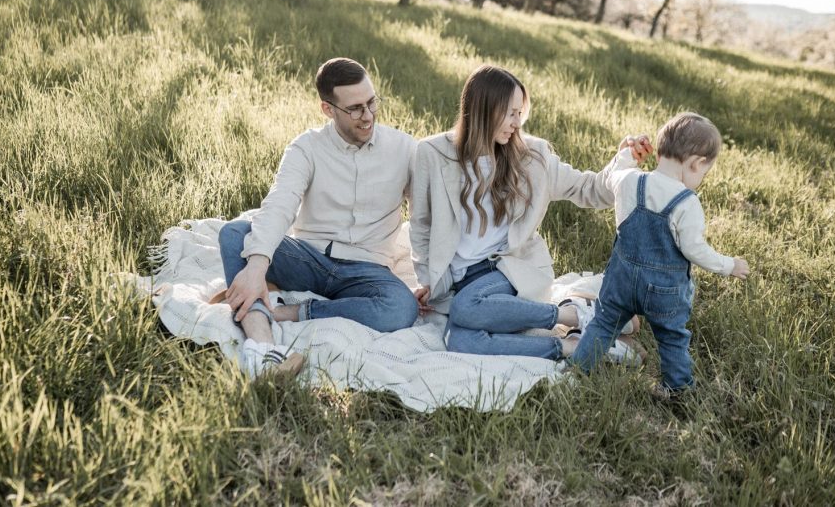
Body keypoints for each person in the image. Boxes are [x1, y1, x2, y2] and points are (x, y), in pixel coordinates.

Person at [410, 64, 653, 361]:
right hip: (461, 278)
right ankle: (572, 346)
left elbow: (590, 189)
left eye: (519, 113)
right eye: (510, 113)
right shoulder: (432, 154)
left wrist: (625, 158)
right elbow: (421, 225)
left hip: (508, 268)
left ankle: (575, 315)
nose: (517, 122)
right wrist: (427, 280)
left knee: (465, 309)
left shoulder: (533, 156)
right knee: (461, 341)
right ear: (484, 109)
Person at [211, 58, 420, 377]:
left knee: (401, 307)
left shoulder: (405, 149)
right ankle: (264, 352)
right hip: (308, 259)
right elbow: (280, 204)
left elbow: (426, 217)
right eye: (355, 109)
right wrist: (256, 266)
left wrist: (432, 277)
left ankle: (287, 311)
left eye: (372, 103)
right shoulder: (306, 147)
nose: (368, 116)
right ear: (328, 109)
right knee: (235, 234)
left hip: (367, 270)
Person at [569, 112, 750, 395]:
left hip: (621, 281)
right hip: (663, 291)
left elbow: (614, 173)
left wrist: (628, 154)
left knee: (604, 324)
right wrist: (729, 265)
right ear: (696, 163)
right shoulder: (687, 202)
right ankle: (677, 389)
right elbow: (694, 249)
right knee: (671, 336)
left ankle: (577, 374)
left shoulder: (629, 181)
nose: (700, 178)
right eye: (704, 172)